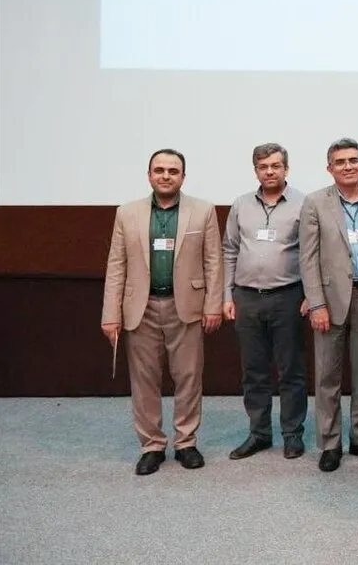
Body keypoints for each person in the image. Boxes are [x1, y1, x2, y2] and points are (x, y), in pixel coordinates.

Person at [100, 149, 222, 475]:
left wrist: (213, 305)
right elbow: (116, 265)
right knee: (144, 381)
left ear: (183, 176)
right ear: (149, 175)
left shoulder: (203, 211)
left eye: (173, 171)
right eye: (159, 170)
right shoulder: (127, 213)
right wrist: (110, 314)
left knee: (189, 377)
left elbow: (213, 262)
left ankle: (186, 442)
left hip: (187, 307)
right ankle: (152, 445)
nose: (166, 176)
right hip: (140, 308)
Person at [300, 137, 358, 472]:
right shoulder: (315, 202)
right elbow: (307, 258)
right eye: (340, 162)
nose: (348, 166)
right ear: (330, 168)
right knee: (327, 376)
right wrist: (315, 304)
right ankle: (329, 443)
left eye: (354, 160)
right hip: (329, 300)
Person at [223, 143, 308, 460]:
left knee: (291, 371)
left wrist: (310, 296)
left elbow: (312, 253)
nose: (269, 171)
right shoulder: (241, 204)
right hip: (246, 297)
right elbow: (229, 250)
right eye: (263, 167)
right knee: (254, 371)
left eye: (275, 166)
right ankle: (258, 433)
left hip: (288, 296)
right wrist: (226, 294)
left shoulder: (304, 204)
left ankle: (292, 434)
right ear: (255, 170)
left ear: (286, 168)